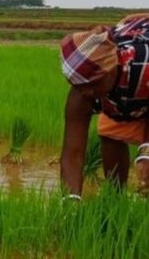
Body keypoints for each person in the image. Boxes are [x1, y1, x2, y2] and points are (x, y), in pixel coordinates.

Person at [59, 15, 149, 199]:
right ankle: (115, 199)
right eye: (80, 87)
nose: (87, 94)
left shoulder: (142, 65)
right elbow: (72, 153)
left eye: (93, 85)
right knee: (111, 133)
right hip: (121, 90)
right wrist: (70, 204)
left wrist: (146, 152)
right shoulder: (83, 88)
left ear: (111, 68)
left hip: (141, 80)